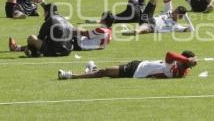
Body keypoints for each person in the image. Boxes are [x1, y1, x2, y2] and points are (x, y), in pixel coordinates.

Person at [58, 50, 198, 79]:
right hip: (137, 66)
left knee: (105, 72)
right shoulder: (173, 62)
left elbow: (179, 69)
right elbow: (169, 54)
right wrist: (187, 61)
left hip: (136, 72)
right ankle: (81, 72)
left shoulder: (179, 71)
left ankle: (77, 73)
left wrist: (187, 63)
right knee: (104, 72)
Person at [9, 3, 74, 57]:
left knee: (32, 38)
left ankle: (32, 54)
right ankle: (18, 48)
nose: (43, 15)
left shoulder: (50, 20)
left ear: (47, 12)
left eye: (44, 12)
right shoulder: (65, 20)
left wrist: (29, 48)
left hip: (55, 52)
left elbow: (39, 38)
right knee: (47, 40)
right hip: (67, 52)